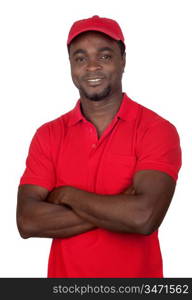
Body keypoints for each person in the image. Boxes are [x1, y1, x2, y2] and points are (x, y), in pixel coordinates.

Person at [17, 15, 182, 278]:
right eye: (80, 58)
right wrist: (119, 209)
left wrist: (68, 196)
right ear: (70, 65)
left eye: (104, 56)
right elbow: (27, 221)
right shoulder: (48, 135)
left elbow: (144, 217)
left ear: (123, 60)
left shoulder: (156, 129)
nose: (92, 67)